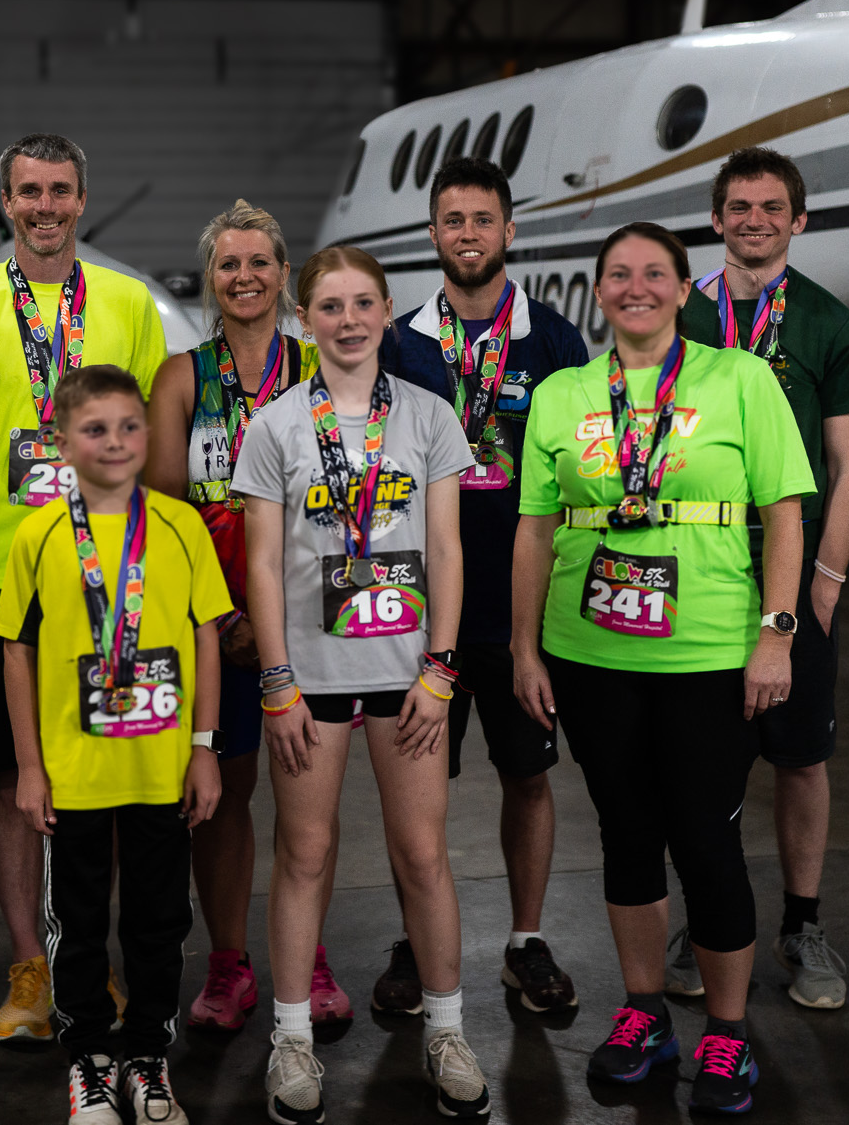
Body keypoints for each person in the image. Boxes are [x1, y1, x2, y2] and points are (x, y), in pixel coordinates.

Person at [511, 222, 813, 1115]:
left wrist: (777, 632)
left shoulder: (740, 378)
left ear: (685, 288)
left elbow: (784, 514)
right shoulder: (563, 393)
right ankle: (645, 1012)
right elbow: (534, 528)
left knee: (706, 838)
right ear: (597, 290)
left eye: (653, 273)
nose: (634, 287)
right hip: (590, 652)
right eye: (618, 274)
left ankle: (726, 1031)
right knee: (627, 832)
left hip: (710, 653)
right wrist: (524, 645)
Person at [232, 246, 490, 1123]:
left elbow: (448, 548)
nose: (348, 320)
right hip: (309, 680)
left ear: (386, 311)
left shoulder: (428, 415)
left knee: (423, 854)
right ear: (305, 319)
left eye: (363, 304)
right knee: (304, 854)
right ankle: (291, 1039)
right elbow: (263, 564)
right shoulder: (274, 425)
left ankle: (447, 1030)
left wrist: (441, 669)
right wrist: (276, 682)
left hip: (409, 678)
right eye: (330, 306)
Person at [0, 133, 168, 1041]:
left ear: (83, 198)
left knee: (99, 774)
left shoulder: (128, 301)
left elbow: (150, 434)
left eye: (60, 190)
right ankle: (29, 966)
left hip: (107, 575)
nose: (45, 206)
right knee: (10, 775)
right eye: (29, 191)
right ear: (7, 202)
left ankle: (89, 957)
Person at [377, 156, 588, 1015]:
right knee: (415, 791)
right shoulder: (397, 342)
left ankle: (526, 941)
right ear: (433, 233)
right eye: (453, 220)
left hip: (519, 611)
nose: (468, 234)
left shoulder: (555, 341)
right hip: (418, 613)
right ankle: (414, 937)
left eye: (483, 219)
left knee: (528, 777)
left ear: (510, 229)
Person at [671, 147, 849, 1010]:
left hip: (795, 574)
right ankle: (704, 918)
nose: (753, 219)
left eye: (770, 207)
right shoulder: (680, 311)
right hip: (697, 569)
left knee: (799, 756)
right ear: (715, 218)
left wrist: (825, 580)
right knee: (698, 759)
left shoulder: (828, 320)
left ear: (800, 219)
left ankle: (802, 923)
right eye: (739, 206)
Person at [0, 364, 231, 1125]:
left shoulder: (180, 525)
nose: (116, 441)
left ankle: (147, 1059)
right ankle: (90, 1063)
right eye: (95, 429)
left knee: (159, 922)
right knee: (79, 925)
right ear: (62, 442)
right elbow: (16, 651)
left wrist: (204, 747)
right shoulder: (38, 534)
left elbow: (206, 635)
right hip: (75, 774)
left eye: (130, 426)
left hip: (160, 768)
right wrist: (29, 767)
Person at [145, 200, 348, 1031]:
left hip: (309, 625)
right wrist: (222, 617)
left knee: (310, 800)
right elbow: (164, 511)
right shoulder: (182, 377)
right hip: (215, 628)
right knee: (222, 793)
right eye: (228, 263)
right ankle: (229, 963)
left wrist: (282, 621)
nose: (244, 276)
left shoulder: (322, 365)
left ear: (285, 274)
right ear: (211, 277)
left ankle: (310, 956)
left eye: (260, 261)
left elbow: (352, 498)